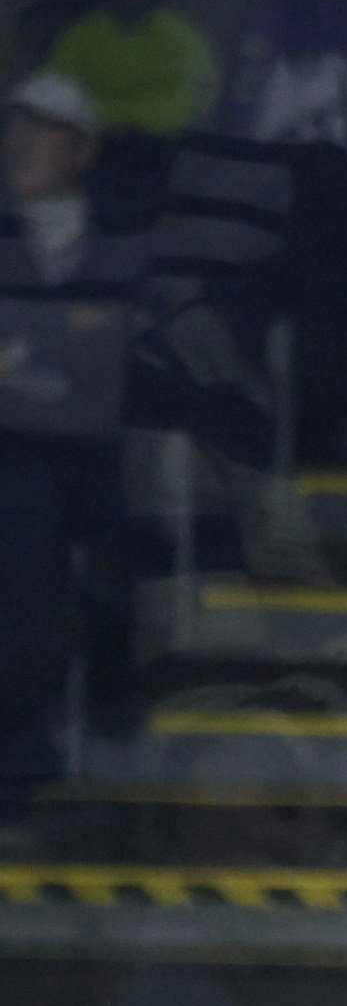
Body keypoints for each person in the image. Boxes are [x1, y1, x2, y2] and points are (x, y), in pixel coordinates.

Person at [0, 72, 142, 781]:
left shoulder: (123, 243)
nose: (20, 141)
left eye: (42, 128)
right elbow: (77, 360)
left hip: (90, 461)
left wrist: (22, 357)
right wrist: (59, 348)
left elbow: (111, 376)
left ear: (81, 150)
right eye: (15, 126)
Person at [44, 0, 220, 142]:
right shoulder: (79, 36)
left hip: (162, 156)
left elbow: (196, 101)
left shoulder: (184, 38)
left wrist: (119, 117)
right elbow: (53, 97)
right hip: (83, 151)